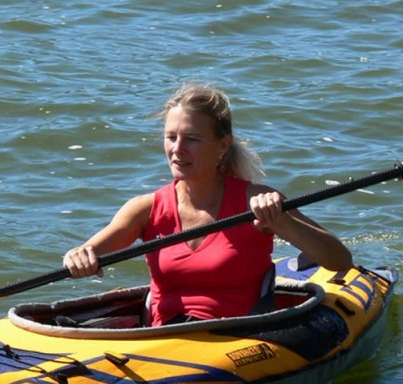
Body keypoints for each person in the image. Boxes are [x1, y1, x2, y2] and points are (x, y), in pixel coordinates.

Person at [63, 83, 353, 326]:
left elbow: (340, 260)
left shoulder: (255, 201)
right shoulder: (144, 210)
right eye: (171, 138)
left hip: (235, 340)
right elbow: (88, 251)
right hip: (162, 340)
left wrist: (282, 222)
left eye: (191, 139)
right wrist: (77, 257)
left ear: (223, 146)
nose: (177, 149)